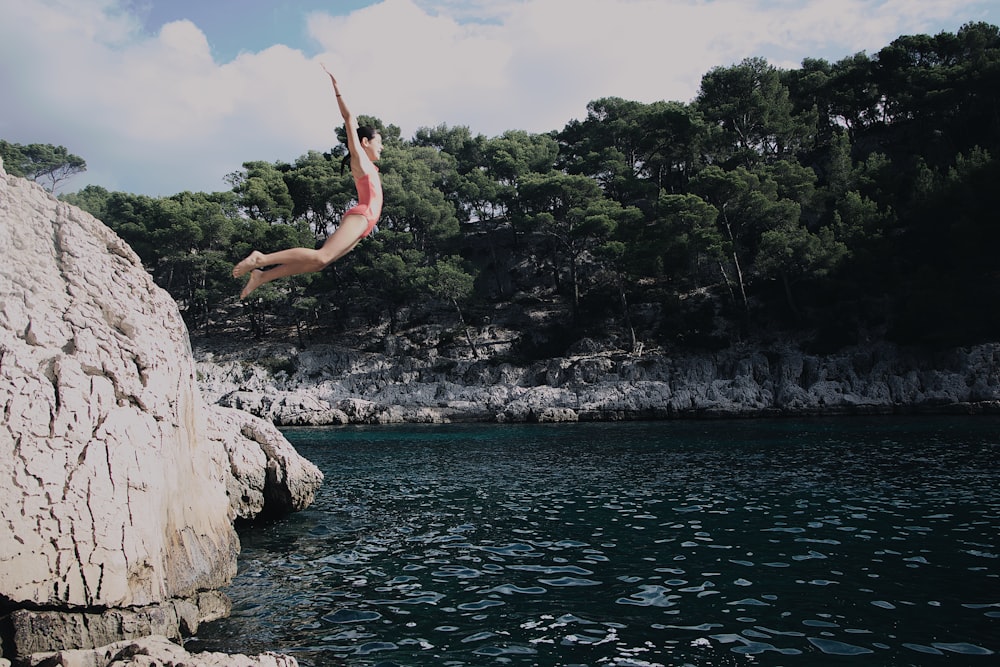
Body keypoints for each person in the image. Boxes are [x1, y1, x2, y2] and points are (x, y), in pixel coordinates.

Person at [233, 64, 384, 299]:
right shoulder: (360, 158)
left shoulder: (370, 165)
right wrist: (337, 88)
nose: (382, 147)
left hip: (366, 224)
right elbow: (349, 118)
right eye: (379, 142)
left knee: (319, 264)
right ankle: (260, 259)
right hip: (362, 215)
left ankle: (262, 275)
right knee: (321, 255)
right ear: (365, 142)